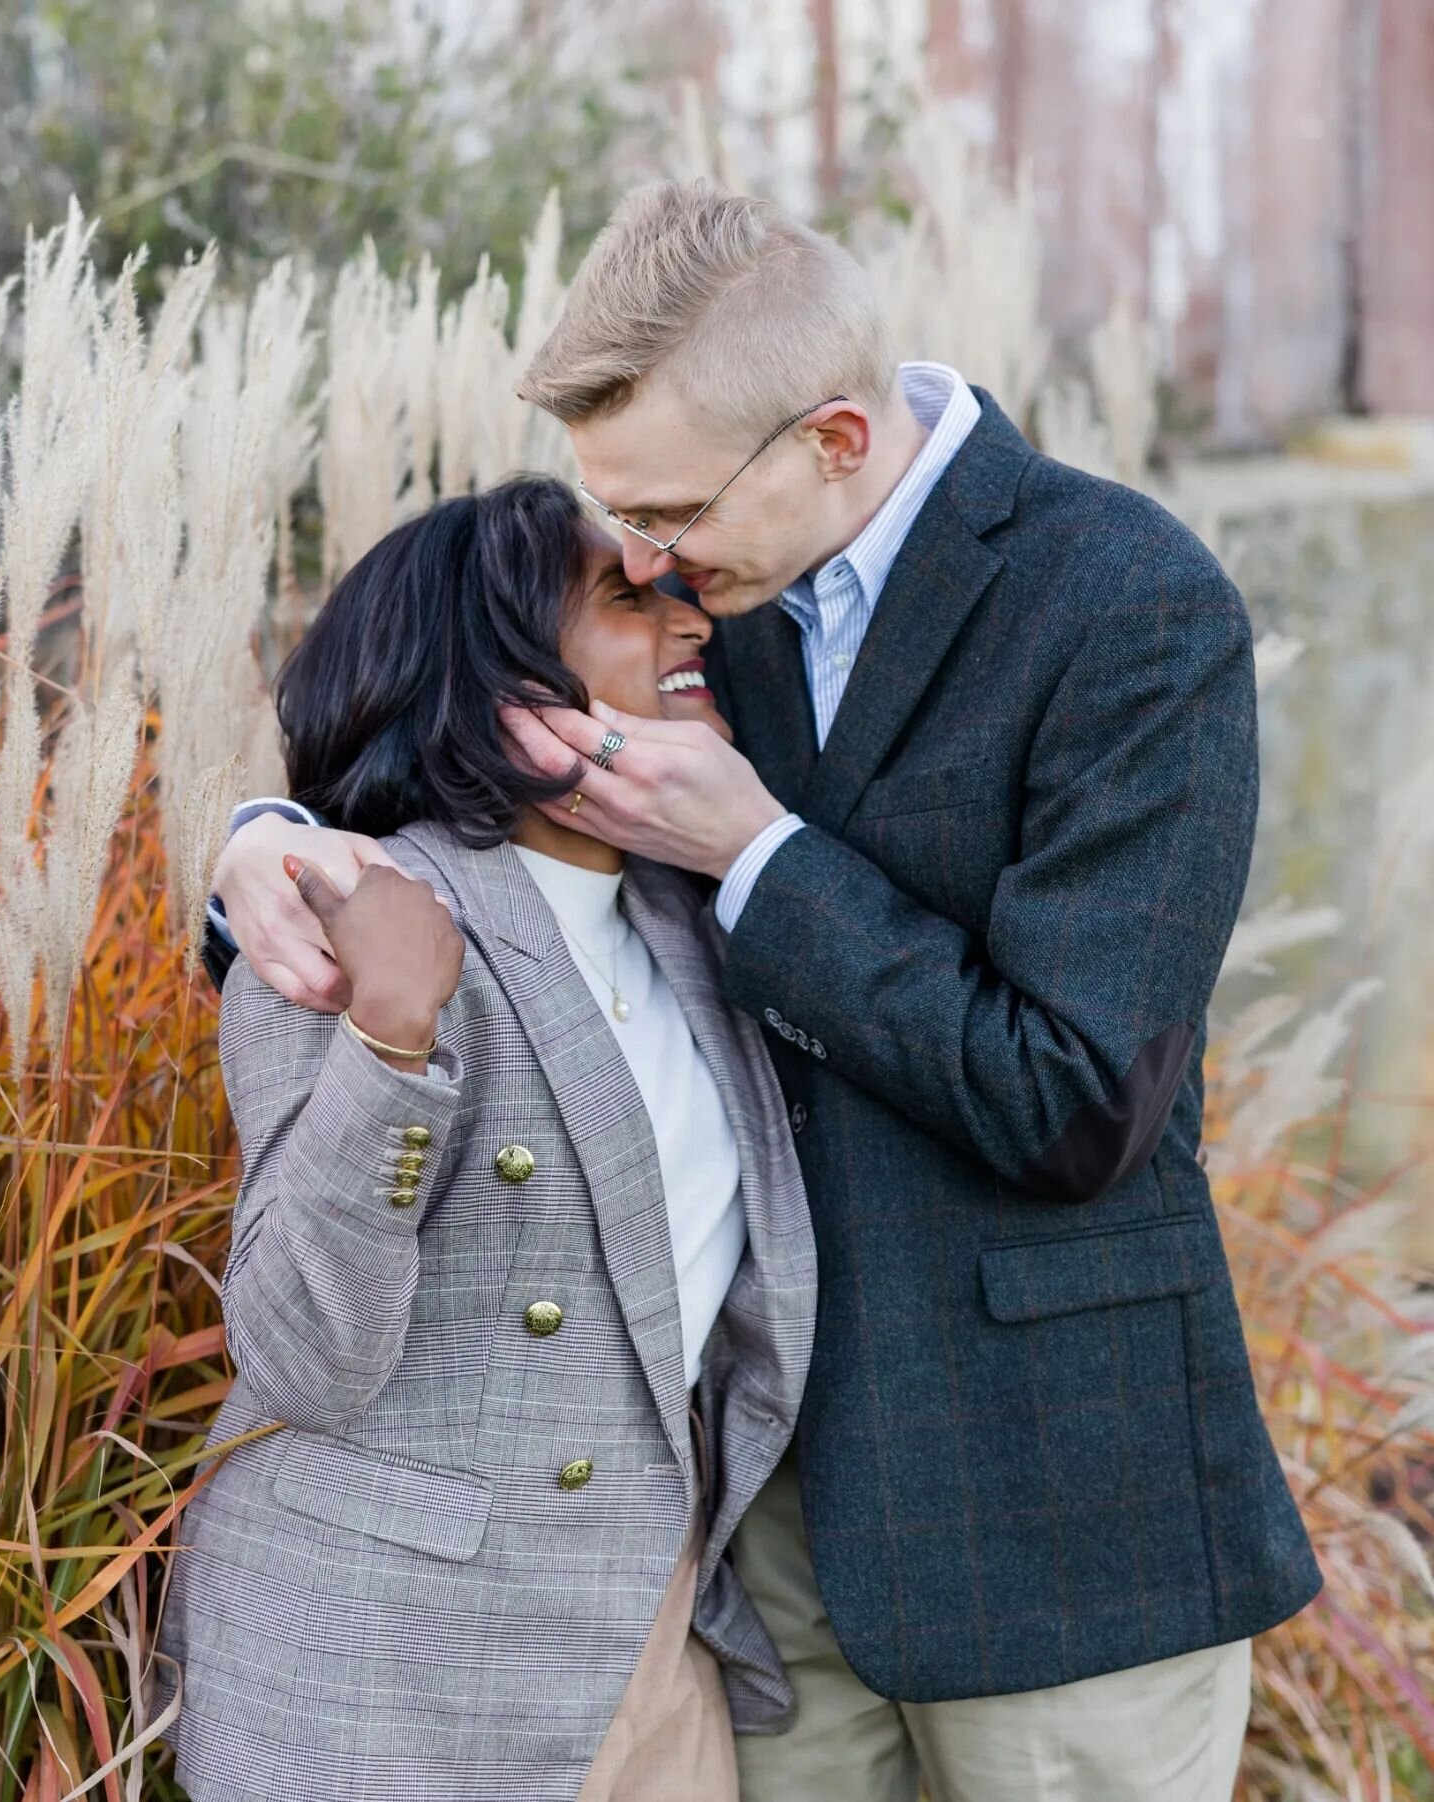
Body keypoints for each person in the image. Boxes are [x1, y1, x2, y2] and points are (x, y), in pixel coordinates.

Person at [209, 181, 1323, 1802]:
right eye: (623, 531)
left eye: (668, 522)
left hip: (1056, 1508)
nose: (646, 563)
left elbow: (1080, 1100)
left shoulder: (1128, 605)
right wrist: (263, 849)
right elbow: (446, 728)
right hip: (758, 1528)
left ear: (838, 441)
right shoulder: (704, 597)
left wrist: (764, 858)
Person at [162, 479, 817, 1802]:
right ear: (496, 672)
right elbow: (299, 1347)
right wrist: (391, 1045)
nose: (688, 619)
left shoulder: (693, 919)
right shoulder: (348, 913)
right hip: (389, 1672)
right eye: (628, 598)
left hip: (647, 1638)